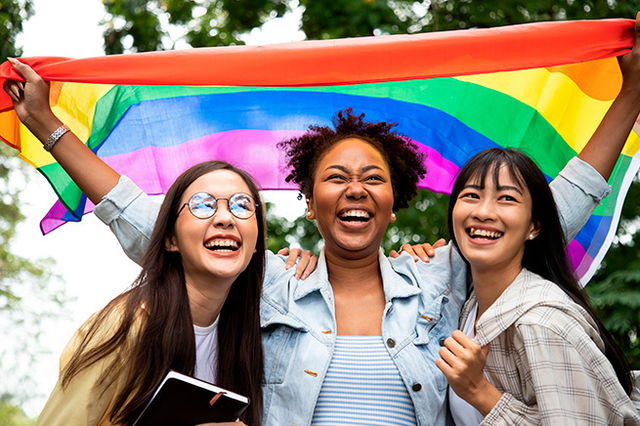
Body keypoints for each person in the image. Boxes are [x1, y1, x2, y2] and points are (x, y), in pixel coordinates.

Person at [4, 15, 640, 424]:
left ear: (396, 202)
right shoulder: (270, 282)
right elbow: (149, 221)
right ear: (311, 203)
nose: (354, 190)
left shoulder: (444, 278)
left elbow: (549, 207)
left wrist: (631, 96)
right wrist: (48, 126)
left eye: (373, 180)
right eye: (336, 179)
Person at [36, 160, 266, 425]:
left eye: (242, 205)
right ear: (170, 239)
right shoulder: (122, 328)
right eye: (202, 204)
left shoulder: (249, 334)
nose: (225, 218)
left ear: (257, 243)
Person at [435, 148, 639, 425]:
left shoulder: (542, 323)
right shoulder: (468, 306)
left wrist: (479, 391)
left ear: (534, 226)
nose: (483, 212)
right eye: (471, 195)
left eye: (506, 198)